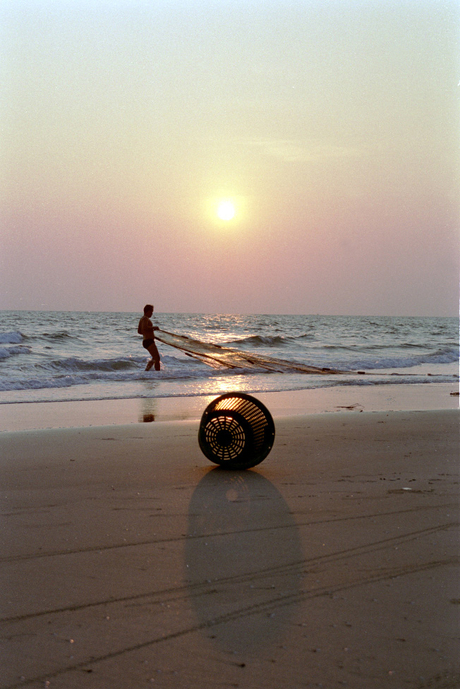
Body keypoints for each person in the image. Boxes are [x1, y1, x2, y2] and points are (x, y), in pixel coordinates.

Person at [138, 304, 161, 371]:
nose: (152, 313)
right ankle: (158, 373)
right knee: (157, 358)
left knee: (154, 358)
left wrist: (150, 334)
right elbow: (145, 328)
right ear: (147, 311)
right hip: (148, 341)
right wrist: (154, 328)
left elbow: (139, 331)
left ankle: (147, 371)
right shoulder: (145, 318)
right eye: (151, 312)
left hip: (146, 341)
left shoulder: (142, 319)